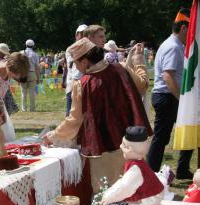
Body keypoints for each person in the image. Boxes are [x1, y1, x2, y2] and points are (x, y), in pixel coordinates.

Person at [43, 38, 152, 194]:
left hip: (104, 149)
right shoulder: (120, 68)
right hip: (132, 145)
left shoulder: (82, 84)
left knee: (106, 195)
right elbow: (142, 85)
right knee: (134, 190)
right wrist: (139, 62)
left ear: (85, 61)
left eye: (76, 63)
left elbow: (74, 120)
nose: (77, 67)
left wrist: (53, 135)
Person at [146, 8, 193, 179]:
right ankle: (150, 174)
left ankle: (181, 169)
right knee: (161, 137)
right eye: (191, 28)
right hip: (167, 96)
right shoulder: (173, 47)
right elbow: (168, 76)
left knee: (189, 130)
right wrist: (182, 99)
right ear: (183, 28)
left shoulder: (176, 45)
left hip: (169, 96)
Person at [65, 24, 87, 116]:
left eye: (86, 34)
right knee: (71, 114)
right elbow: (73, 65)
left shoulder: (90, 48)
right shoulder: (71, 49)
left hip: (86, 84)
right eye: (81, 34)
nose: (83, 36)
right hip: (73, 83)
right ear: (76, 35)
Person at [0, 43, 19, 115]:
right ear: (0, 52)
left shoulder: (0, 59)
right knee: (2, 103)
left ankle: (5, 118)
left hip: (3, 84)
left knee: (5, 103)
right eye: (4, 53)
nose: (5, 55)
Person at [20, 39, 40, 112]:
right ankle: (32, 108)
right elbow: (37, 67)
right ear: (33, 46)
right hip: (32, 73)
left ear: (26, 45)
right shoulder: (35, 54)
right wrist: (38, 77)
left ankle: (24, 108)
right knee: (32, 91)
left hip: (23, 73)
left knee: (23, 92)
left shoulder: (21, 53)